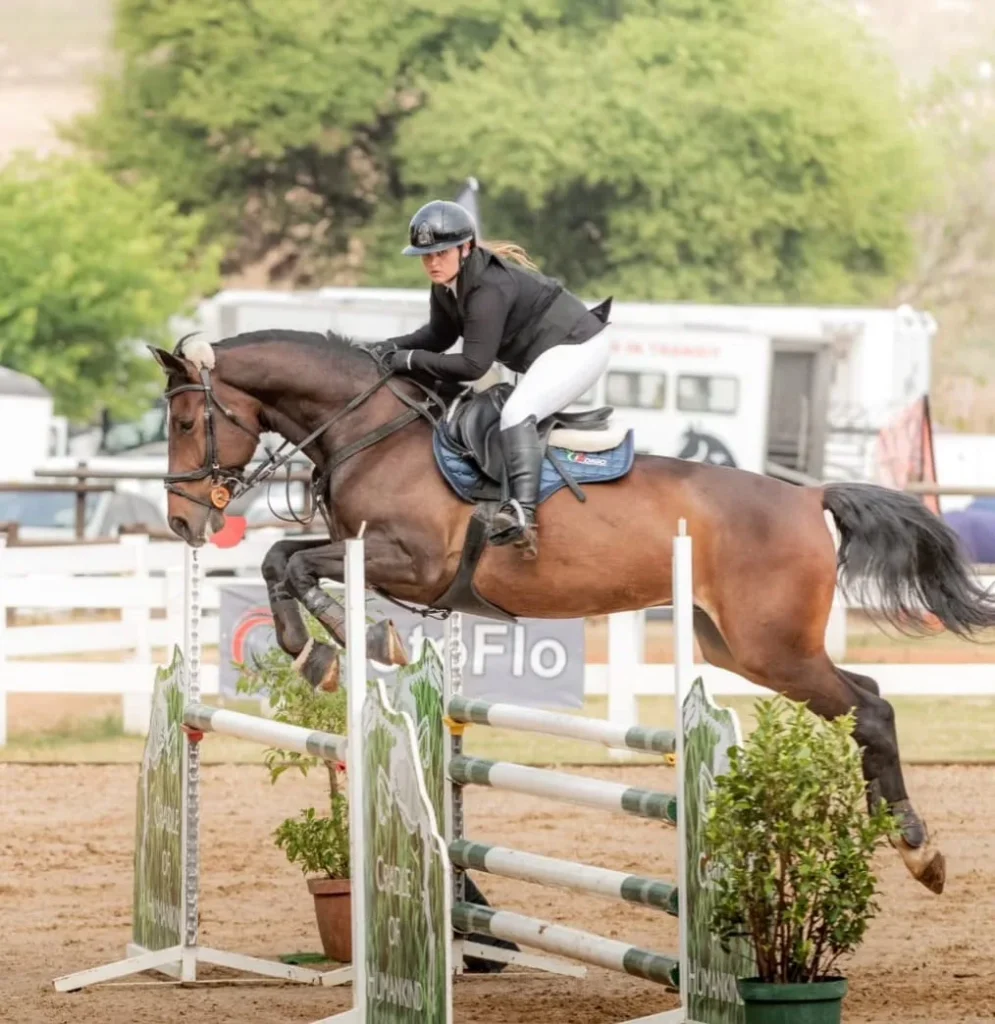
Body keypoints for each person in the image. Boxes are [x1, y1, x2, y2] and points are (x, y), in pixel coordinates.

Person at [376, 199, 612, 558]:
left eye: (440, 253)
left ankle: (522, 514)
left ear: (465, 247)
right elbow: (437, 337)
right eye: (426, 255)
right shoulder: (447, 285)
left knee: (516, 412)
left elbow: (473, 366)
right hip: (550, 352)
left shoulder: (487, 287)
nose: (433, 262)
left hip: (579, 347)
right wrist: (380, 349)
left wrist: (407, 360)